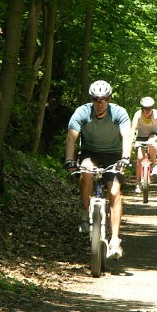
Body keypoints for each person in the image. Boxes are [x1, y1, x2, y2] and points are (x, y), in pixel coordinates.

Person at [64, 80, 132, 259]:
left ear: (109, 99)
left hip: (114, 155)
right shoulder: (82, 112)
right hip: (90, 153)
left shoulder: (119, 112)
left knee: (114, 191)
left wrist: (125, 158)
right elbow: (71, 137)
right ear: (91, 99)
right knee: (85, 172)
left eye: (104, 99)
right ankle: (85, 213)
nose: (100, 103)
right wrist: (69, 160)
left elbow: (127, 135)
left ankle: (115, 240)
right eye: (96, 99)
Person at [131, 96, 157, 194]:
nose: (147, 111)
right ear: (142, 108)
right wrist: (131, 140)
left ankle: (154, 164)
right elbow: (132, 129)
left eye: (149, 109)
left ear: (152, 108)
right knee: (139, 158)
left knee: (151, 142)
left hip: (153, 134)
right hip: (141, 137)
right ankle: (137, 183)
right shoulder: (138, 114)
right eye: (145, 109)